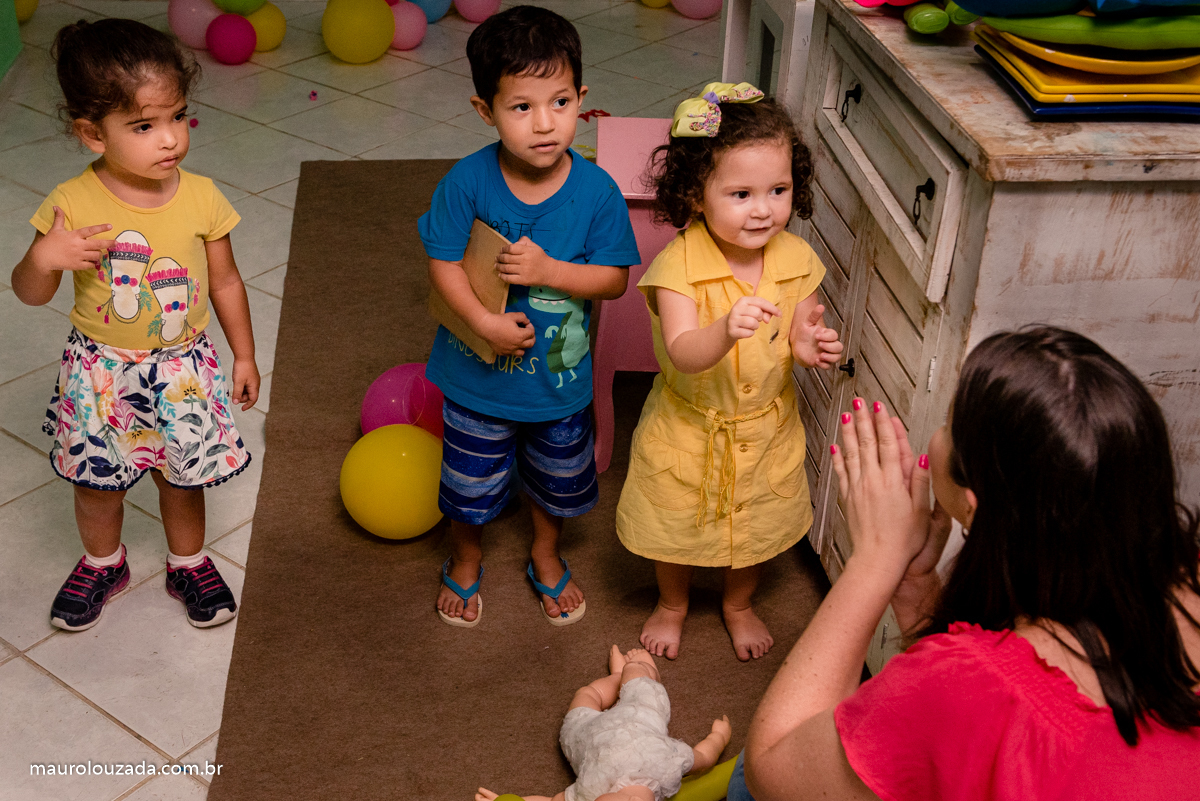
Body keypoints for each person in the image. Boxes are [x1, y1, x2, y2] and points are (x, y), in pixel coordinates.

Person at [735, 327, 1200, 800]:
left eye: (948, 424)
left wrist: (875, 562)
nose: (938, 435)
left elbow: (770, 768)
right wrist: (916, 585)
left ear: (976, 505)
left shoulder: (971, 689)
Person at [10, 19, 257, 631]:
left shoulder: (202, 196)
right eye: (144, 125)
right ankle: (104, 563)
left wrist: (245, 355)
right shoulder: (72, 203)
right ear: (92, 133)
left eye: (178, 116)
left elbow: (226, 281)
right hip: (100, 370)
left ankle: (188, 562)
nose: (170, 138)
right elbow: (29, 293)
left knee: (182, 478)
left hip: (182, 368)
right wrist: (44, 258)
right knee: (97, 484)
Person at [419, 6, 640, 628]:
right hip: (476, 380)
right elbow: (442, 263)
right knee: (468, 483)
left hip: (558, 385)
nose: (545, 123)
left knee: (556, 480)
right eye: (521, 107)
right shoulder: (466, 182)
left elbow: (615, 280)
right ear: (484, 110)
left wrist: (550, 271)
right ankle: (466, 558)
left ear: (581, 100)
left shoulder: (596, 192)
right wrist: (483, 323)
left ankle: (545, 552)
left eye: (560, 102)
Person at [614, 84, 844, 661]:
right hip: (691, 426)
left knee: (757, 523)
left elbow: (799, 327)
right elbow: (683, 350)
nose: (763, 209)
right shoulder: (677, 268)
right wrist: (724, 330)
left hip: (766, 427)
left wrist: (808, 345)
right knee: (677, 524)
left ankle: (738, 604)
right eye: (741, 194)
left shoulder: (796, 259)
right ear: (696, 195)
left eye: (778, 190)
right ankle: (672, 603)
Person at [475, 645, 732, 801]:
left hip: (589, 733)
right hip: (639, 717)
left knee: (587, 695)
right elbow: (702, 758)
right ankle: (641, 671)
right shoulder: (666, 767)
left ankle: (618, 676)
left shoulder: (587, 795)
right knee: (642, 682)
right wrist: (718, 738)